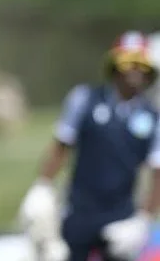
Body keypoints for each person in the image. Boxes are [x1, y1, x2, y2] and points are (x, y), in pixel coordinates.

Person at [18, 31, 160, 261]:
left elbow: (157, 173)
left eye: (140, 65)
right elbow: (61, 146)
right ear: (115, 65)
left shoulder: (153, 118)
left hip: (121, 218)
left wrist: (143, 221)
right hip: (78, 213)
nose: (134, 71)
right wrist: (42, 187)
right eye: (128, 63)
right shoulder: (85, 99)